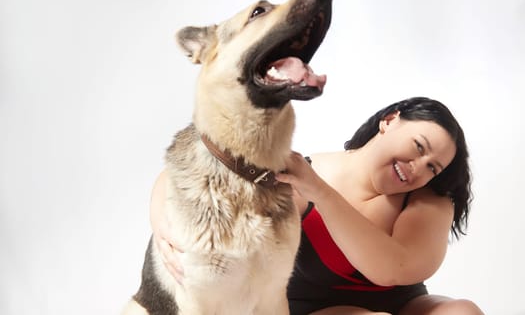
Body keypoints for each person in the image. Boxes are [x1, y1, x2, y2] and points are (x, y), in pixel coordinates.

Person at [150, 96, 485, 315]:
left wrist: (320, 193)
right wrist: (162, 228)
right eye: (418, 146)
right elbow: (188, 173)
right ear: (389, 120)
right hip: (312, 308)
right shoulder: (299, 175)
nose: (419, 166)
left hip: (403, 305)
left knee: (462, 313)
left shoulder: (429, 200)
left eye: (432, 167)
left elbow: (394, 269)